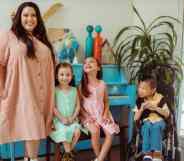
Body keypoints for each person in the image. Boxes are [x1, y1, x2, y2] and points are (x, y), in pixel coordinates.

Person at [0, 2, 55, 161]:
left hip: (42, 92)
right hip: (21, 91)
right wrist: (2, 89)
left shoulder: (41, 39)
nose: (29, 19)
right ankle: (32, 158)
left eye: (33, 15)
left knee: (33, 129)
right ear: (19, 17)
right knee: (32, 127)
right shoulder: (9, 36)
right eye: (25, 15)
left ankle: (28, 158)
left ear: (38, 19)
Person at [79, 57, 120, 161]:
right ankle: (99, 157)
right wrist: (86, 116)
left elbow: (106, 101)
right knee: (95, 131)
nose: (87, 63)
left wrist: (106, 114)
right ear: (83, 68)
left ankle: (99, 159)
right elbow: (79, 106)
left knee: (110, 133)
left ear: (98, 68)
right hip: (88, 116)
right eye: (85, 62)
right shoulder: (81, 86)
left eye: (91, 61)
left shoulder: (102, 84)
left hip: (102, 114)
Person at [50, 62, 82, 161]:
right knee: (64, 133)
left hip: (72, 119)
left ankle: (67, 153)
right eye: (62, 74)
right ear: (56, 76)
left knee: (77, 132)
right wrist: (62, 119)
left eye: (68, 75)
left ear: (72, 76)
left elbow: (78, 106)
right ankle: (68, 156)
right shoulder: (55, 90)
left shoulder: (74, 90)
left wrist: (72, 118)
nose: (65, 77)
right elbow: (53, 107)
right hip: (59, 121)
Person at [134, 75, 170, 161]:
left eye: (144, 89)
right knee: (147, 126)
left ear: (153, 90)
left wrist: (156, 108)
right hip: (146, 122)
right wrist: (141, 109)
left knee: (156, 127)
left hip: (159, 121)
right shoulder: (139, 101)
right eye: (139, 87)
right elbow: (135, 118)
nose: (140, 90)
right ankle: (147, 153)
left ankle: (157, 153)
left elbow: (167, 114)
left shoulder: (160, 98)